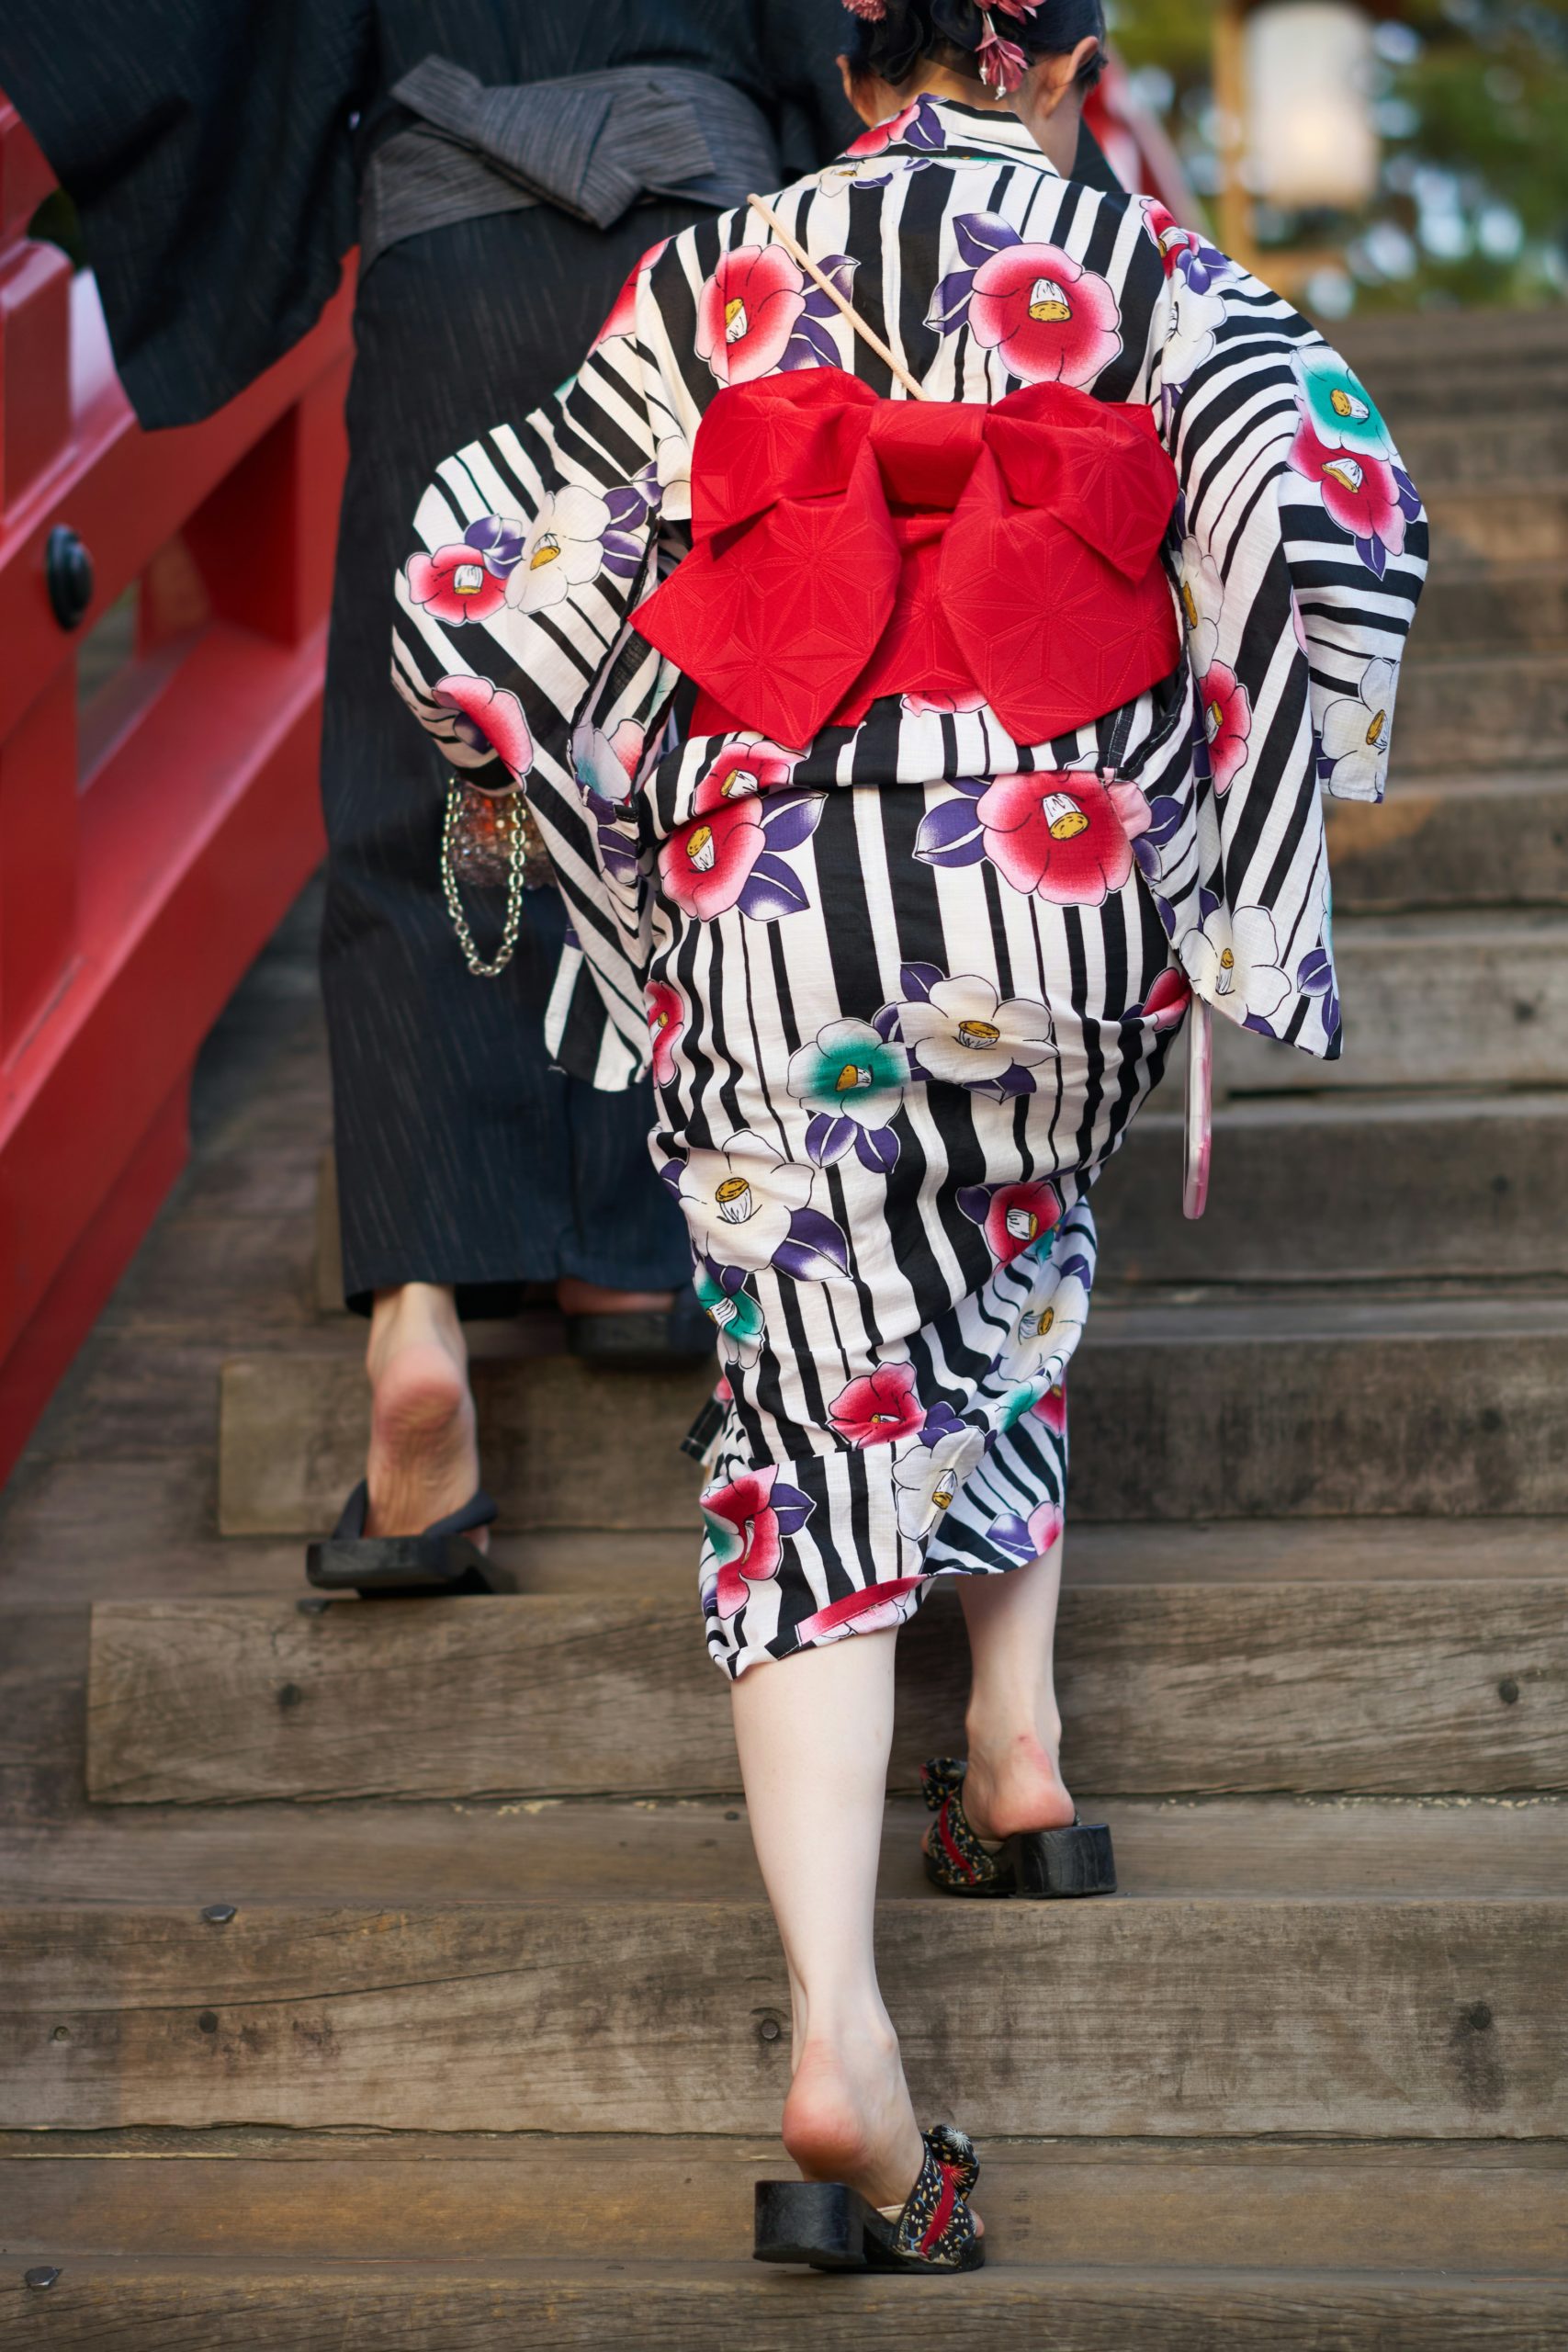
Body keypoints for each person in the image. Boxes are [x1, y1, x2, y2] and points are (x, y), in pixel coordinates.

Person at [390, 0, 1426, 2263]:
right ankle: (1022, 1746)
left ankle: (836, 2030)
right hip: (1046, 874)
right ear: (1053, 55)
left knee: (819, 1397)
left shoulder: (712, 277)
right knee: (1017, 1238)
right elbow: (1339, 513)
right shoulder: (1140, 263)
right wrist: (1239, 781)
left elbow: (480, 588)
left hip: (776, 891)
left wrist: (549, 772)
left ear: (836, 64)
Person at [0, 3, 863, 1586]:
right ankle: (634, 1246)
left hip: (446, 264)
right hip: (708, 278)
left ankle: (418, 1326)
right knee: (693, 769)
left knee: (435, 795)